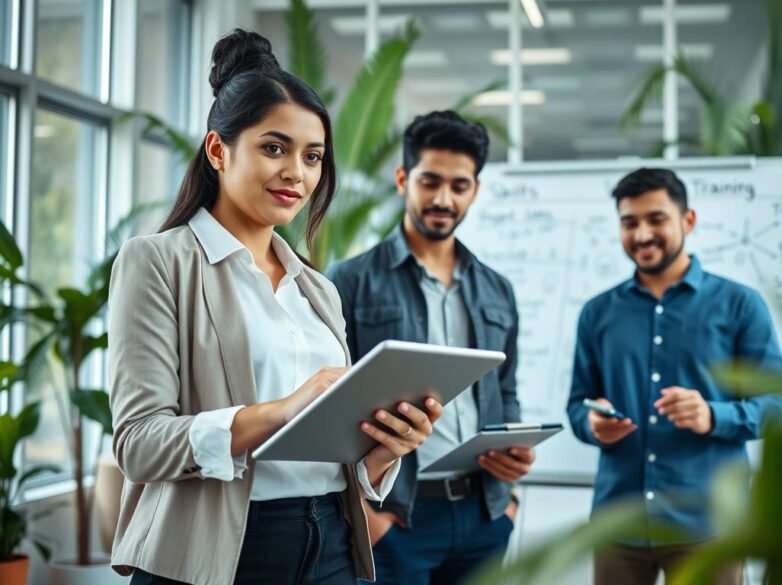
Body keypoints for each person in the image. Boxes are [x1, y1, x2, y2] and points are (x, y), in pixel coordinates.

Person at [108, 29, 440, 585]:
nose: (298, 173)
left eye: (312, 157)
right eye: (274, 148)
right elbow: (139, 444)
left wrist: (385, 449)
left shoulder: (318, 289)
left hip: (331, 540)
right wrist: (281, 411)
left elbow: (336, 450)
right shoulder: (157, 263)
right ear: (218, 150)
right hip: (219, 548)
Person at [325, 111, 533, 585]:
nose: (444, 198)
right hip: (396, 517)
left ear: (475, 190)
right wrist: (364, 513)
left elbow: (505, 390)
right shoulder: (349, 281)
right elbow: (328, 405)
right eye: (430, 181)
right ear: (403, 179)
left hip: (485, 514)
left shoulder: (497, 290)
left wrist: (511, 485)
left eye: (460, 186)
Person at [566, 168, 782, 585]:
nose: (641, 234)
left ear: (687, 221)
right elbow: (578, 403)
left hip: (709, 525)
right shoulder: (598, 313)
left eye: (656, 219)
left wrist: (714, 415)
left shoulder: (739, 305)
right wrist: (591, 423)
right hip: (618, 522)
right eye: (629, 222)